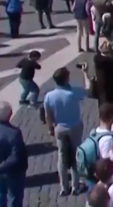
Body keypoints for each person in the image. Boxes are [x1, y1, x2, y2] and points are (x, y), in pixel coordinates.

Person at [43, 67, 87, 196]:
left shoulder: (49, 96)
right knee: (75, 155)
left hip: (60, 128)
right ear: (67, 78)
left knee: (61, 157)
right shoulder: (74, 92)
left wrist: (50, 128)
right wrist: (85, 73)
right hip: (74, 127)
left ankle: (64, 186)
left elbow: (48, 115)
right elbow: (88, 89)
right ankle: (75, 185)